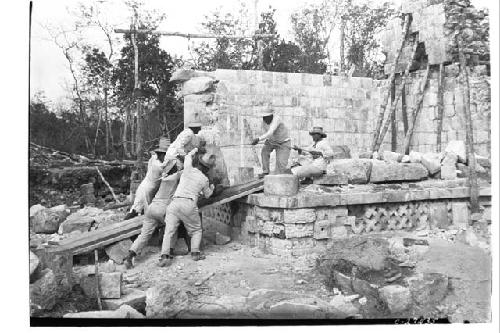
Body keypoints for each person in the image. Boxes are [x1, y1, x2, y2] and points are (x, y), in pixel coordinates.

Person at [123, 163, 191, 269]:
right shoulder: (176, 176)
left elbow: (150, 193)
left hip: (151, 208)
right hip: (163, 208)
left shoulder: (161, 179)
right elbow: (189, 170)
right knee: (171, 230)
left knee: (144, 235)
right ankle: (165, 255)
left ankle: (129, 256)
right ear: (174, 169)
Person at [157, 148, 216, 267]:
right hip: (188, 204)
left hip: (174, 203)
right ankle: (195, 253)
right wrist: (212, 188)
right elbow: (208, 195)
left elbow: (188, 156)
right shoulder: (204, 179)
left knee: (169, 231)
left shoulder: (187, 168)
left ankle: (164, 256)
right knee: (196, 230)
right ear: (207, 169)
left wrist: (195, 149)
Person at [124, 137, 171, 220]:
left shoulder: (153, 159)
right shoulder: (158, 165)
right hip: (147, 190)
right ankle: (124, 225)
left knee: (137, 209)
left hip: (145, 187)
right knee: (138, 211)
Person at [250, 107, 291, 177]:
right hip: (272, 141)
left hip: (283, 142)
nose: (265, 119)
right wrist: (262, 140)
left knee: (281, 164)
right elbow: (267, 134)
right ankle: (265, 171)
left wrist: (258, 139)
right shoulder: (264, 122)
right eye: (264, 117)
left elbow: (270, 132)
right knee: (264, 151)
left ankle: (279, 176)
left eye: (266, 117)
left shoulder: (276, 119)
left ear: (271, 116)